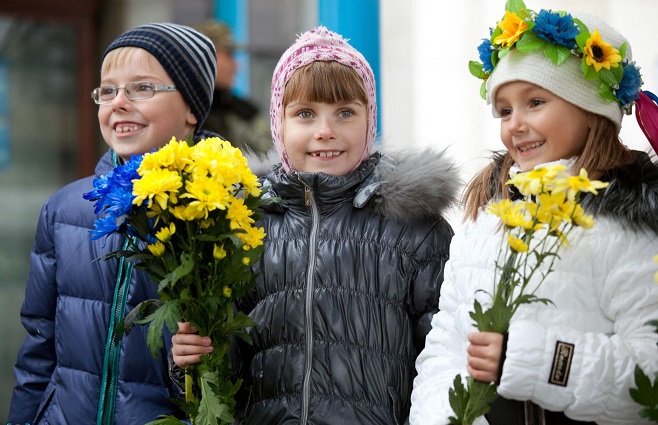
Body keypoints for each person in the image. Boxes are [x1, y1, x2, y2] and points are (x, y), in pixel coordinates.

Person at [170, 26, 460, 424]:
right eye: (305, 114)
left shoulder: (414, 229)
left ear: (369, 118)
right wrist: (195, 360)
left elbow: (445, 358)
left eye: (345, 112)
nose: (325, 130)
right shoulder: (244, 226)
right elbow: (225, 375)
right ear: (278, 123)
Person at [410, 4, 658, 425]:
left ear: (590, 110)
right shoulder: (487, 217)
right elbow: (446, 344)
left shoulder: (633, 226)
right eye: (504, 110)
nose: (515, 124)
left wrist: (533, 358)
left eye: (535, 102)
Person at [7, 23, 218, 424]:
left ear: (191, 107)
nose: (118, 102)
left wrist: (187, 367)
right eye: (108, 90)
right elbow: (38, 351)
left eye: (142, 88)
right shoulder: (65, 209)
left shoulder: (218, 211)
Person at [192, 19, 271, 154]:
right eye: (228, 55)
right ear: (204, 57)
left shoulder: (243, 111)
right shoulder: (178, 112)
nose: (236, 66)